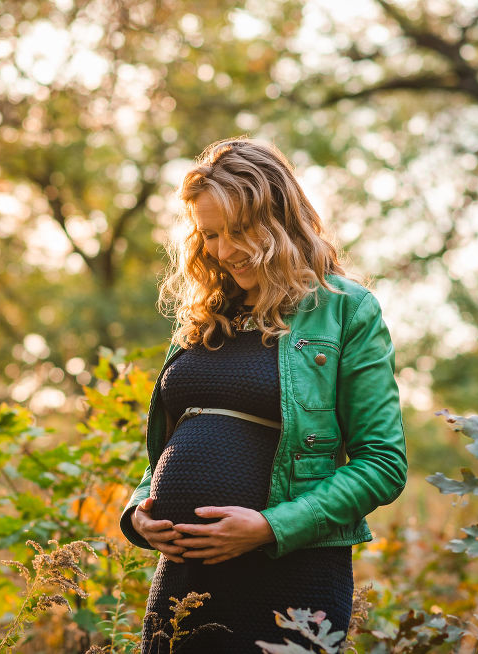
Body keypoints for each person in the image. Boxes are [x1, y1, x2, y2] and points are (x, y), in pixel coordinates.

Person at [118, 137, 408, 653]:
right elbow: (177, 441)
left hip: (291, 578)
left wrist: (270, 527)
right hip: (184, 583)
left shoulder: (346, 311)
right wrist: (140, 509)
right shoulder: (205, 314)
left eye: (239, 231)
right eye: (210, 234)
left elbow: (383, 463)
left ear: (279, 217)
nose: (224, 250)